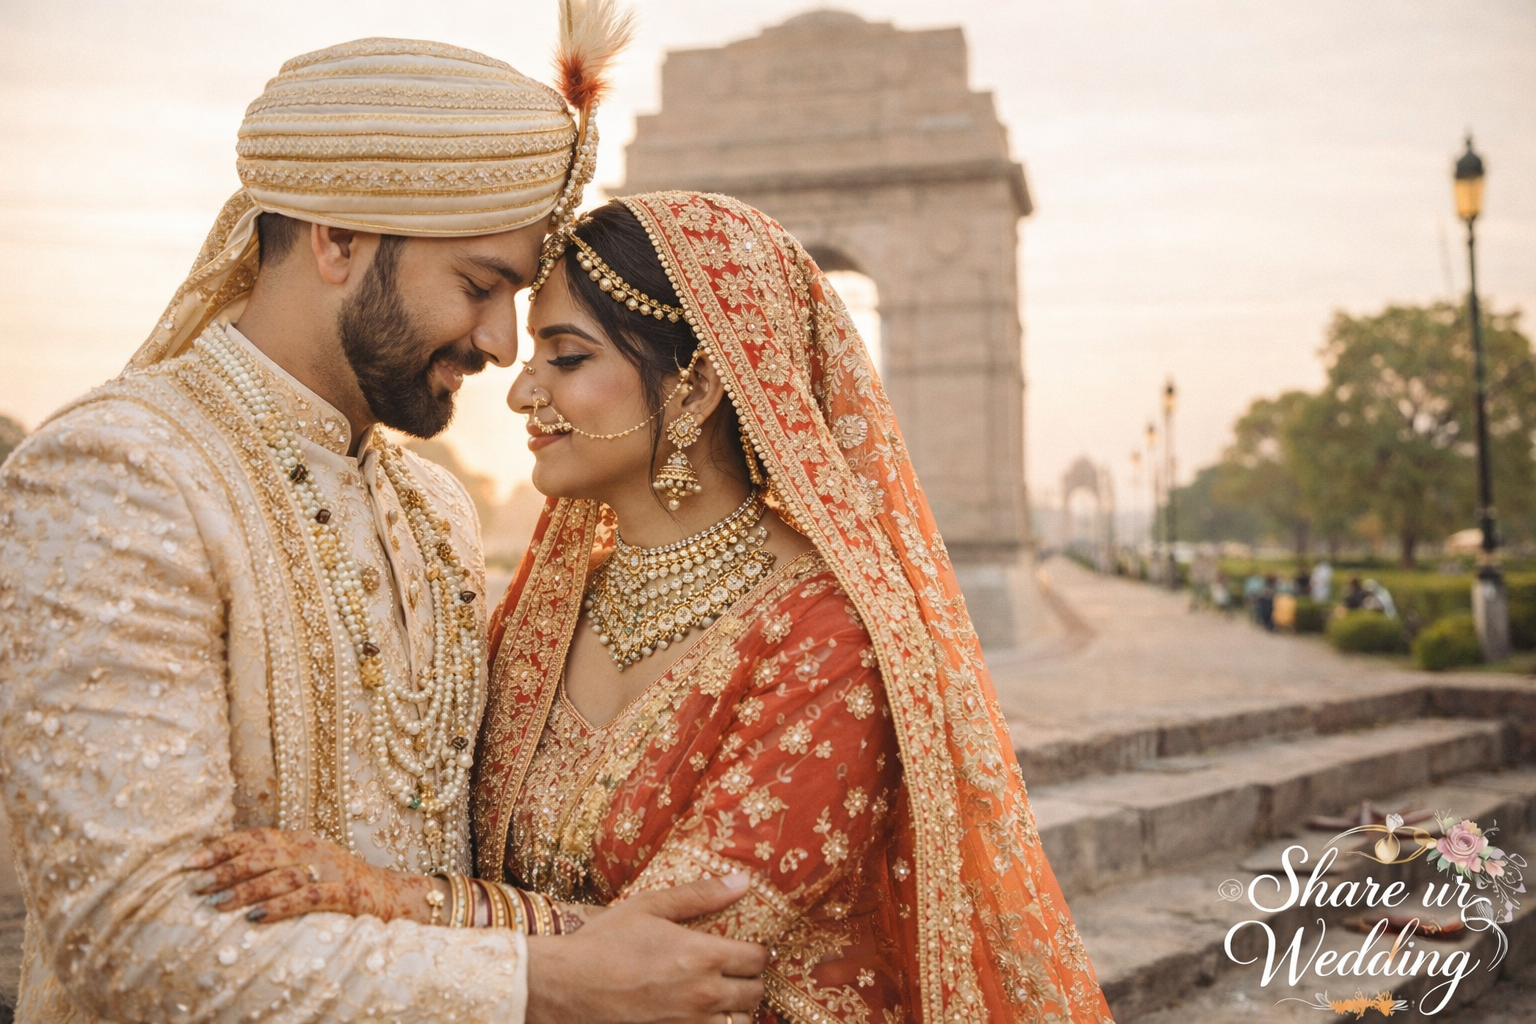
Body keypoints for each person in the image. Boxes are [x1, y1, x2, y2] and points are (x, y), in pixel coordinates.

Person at [0, 23, 768, 1024]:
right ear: (337, 239)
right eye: (479, 286)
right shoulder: (120, 475)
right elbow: (133, 939)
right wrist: (547, 982)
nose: (501, 344)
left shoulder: (435, 509)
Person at [202, 194, 1116, 1021]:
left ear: (699, 385)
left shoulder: (832, 636)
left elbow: (679, 954)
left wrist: (386, 898)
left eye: (567, 358)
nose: (520, 390)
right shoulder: (547, 611)